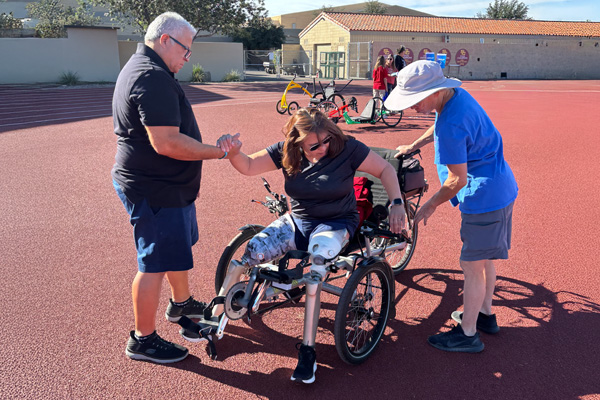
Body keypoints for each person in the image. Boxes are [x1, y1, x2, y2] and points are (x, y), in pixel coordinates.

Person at [215, 108, 406, 383]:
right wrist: (232, 152)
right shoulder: (286, 152)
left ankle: (307, 351)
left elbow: (386, 169)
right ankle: (215, 317)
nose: (323, 148)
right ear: (297, 142)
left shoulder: (346, 148)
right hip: (298, 221)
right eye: (314, 145)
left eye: (326, 140)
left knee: (316, 270)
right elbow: (247, 165)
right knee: (251, 251)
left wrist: (397, 203)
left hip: (336, 223)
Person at [112, 12, 231, 364]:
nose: (187, 58)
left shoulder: (143, 67)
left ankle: (181, 304)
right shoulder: (151, 77)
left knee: (172, 251)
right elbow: (167, 142)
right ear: (165, 40)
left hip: (165, 187)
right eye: (186, 50)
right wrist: (218, 152)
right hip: (156, 190)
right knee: (154, 263)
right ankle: (143, 340)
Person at [385, 60, 518, 353]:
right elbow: (438, 123)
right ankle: (485, 315)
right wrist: (414, 145)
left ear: (434, 92)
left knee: (471, 267)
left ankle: (468, 334)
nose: (411, 108)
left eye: (415, 101)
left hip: (484, 197)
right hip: (499, 186)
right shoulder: (455, 98)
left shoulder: (450, 125)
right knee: (484, 260)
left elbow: (456, 180)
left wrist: (430, 205)